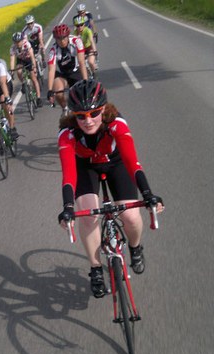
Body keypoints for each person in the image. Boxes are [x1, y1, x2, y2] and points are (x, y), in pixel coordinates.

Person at [57, 80, 164, 298]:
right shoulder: (67, 135)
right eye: (81, 115)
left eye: (94, 113)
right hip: (85, 166)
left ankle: (135, 248)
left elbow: (133, 163)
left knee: (131, 215)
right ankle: (96, 268)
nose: (88, 121)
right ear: (73, 114)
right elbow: (69, 175)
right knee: (87, 215)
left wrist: (148, 194)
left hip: (116, 163)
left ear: (103, 109)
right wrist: (67, 207)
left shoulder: (116, 124)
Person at [47, 24, 88, 118]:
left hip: (76, 71)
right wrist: (50, 90)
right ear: (55, 39)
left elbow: (81, 62)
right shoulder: (53, 50)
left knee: (82, 95)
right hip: (63, 74)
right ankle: (65, 108)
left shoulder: (76, 41)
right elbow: (51, 70)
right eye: (59, 39)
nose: (62, 41)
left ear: (67, 36)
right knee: (58, 91)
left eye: (64, 38)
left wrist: (86, 80)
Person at [9, 32, 43, 108]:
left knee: (33, 78)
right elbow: (12, 59)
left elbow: (32, 56)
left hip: (28, 59)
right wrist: (11, 71)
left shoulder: (26, 44)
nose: (18, 43)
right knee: (19, 71)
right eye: (16, 42)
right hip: (21, 60)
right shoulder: (12, 48)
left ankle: (38, 98)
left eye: (19, 41)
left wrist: (34, 66)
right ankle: (23, 83)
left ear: (22, 40)